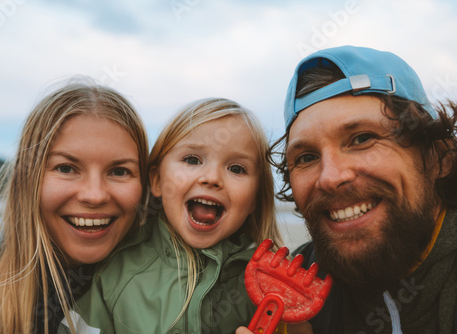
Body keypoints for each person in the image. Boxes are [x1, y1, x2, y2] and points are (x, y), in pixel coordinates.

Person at [267, 45, 457, 333]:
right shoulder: (292, 286)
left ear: (438, 158)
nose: (330, 178)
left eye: (362, 138)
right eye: (306, 157)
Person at [65, 97, 288, 333]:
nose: (211, 177)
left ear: (255, 198)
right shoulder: (116, 271)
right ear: (158, 181)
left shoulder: (267, 285)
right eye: (192, 160)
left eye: (236, 168)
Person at [0, 79, 149, 334]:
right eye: (66, 168)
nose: (94, 196)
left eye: (119, 171)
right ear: (28, 178)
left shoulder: (169, 279)